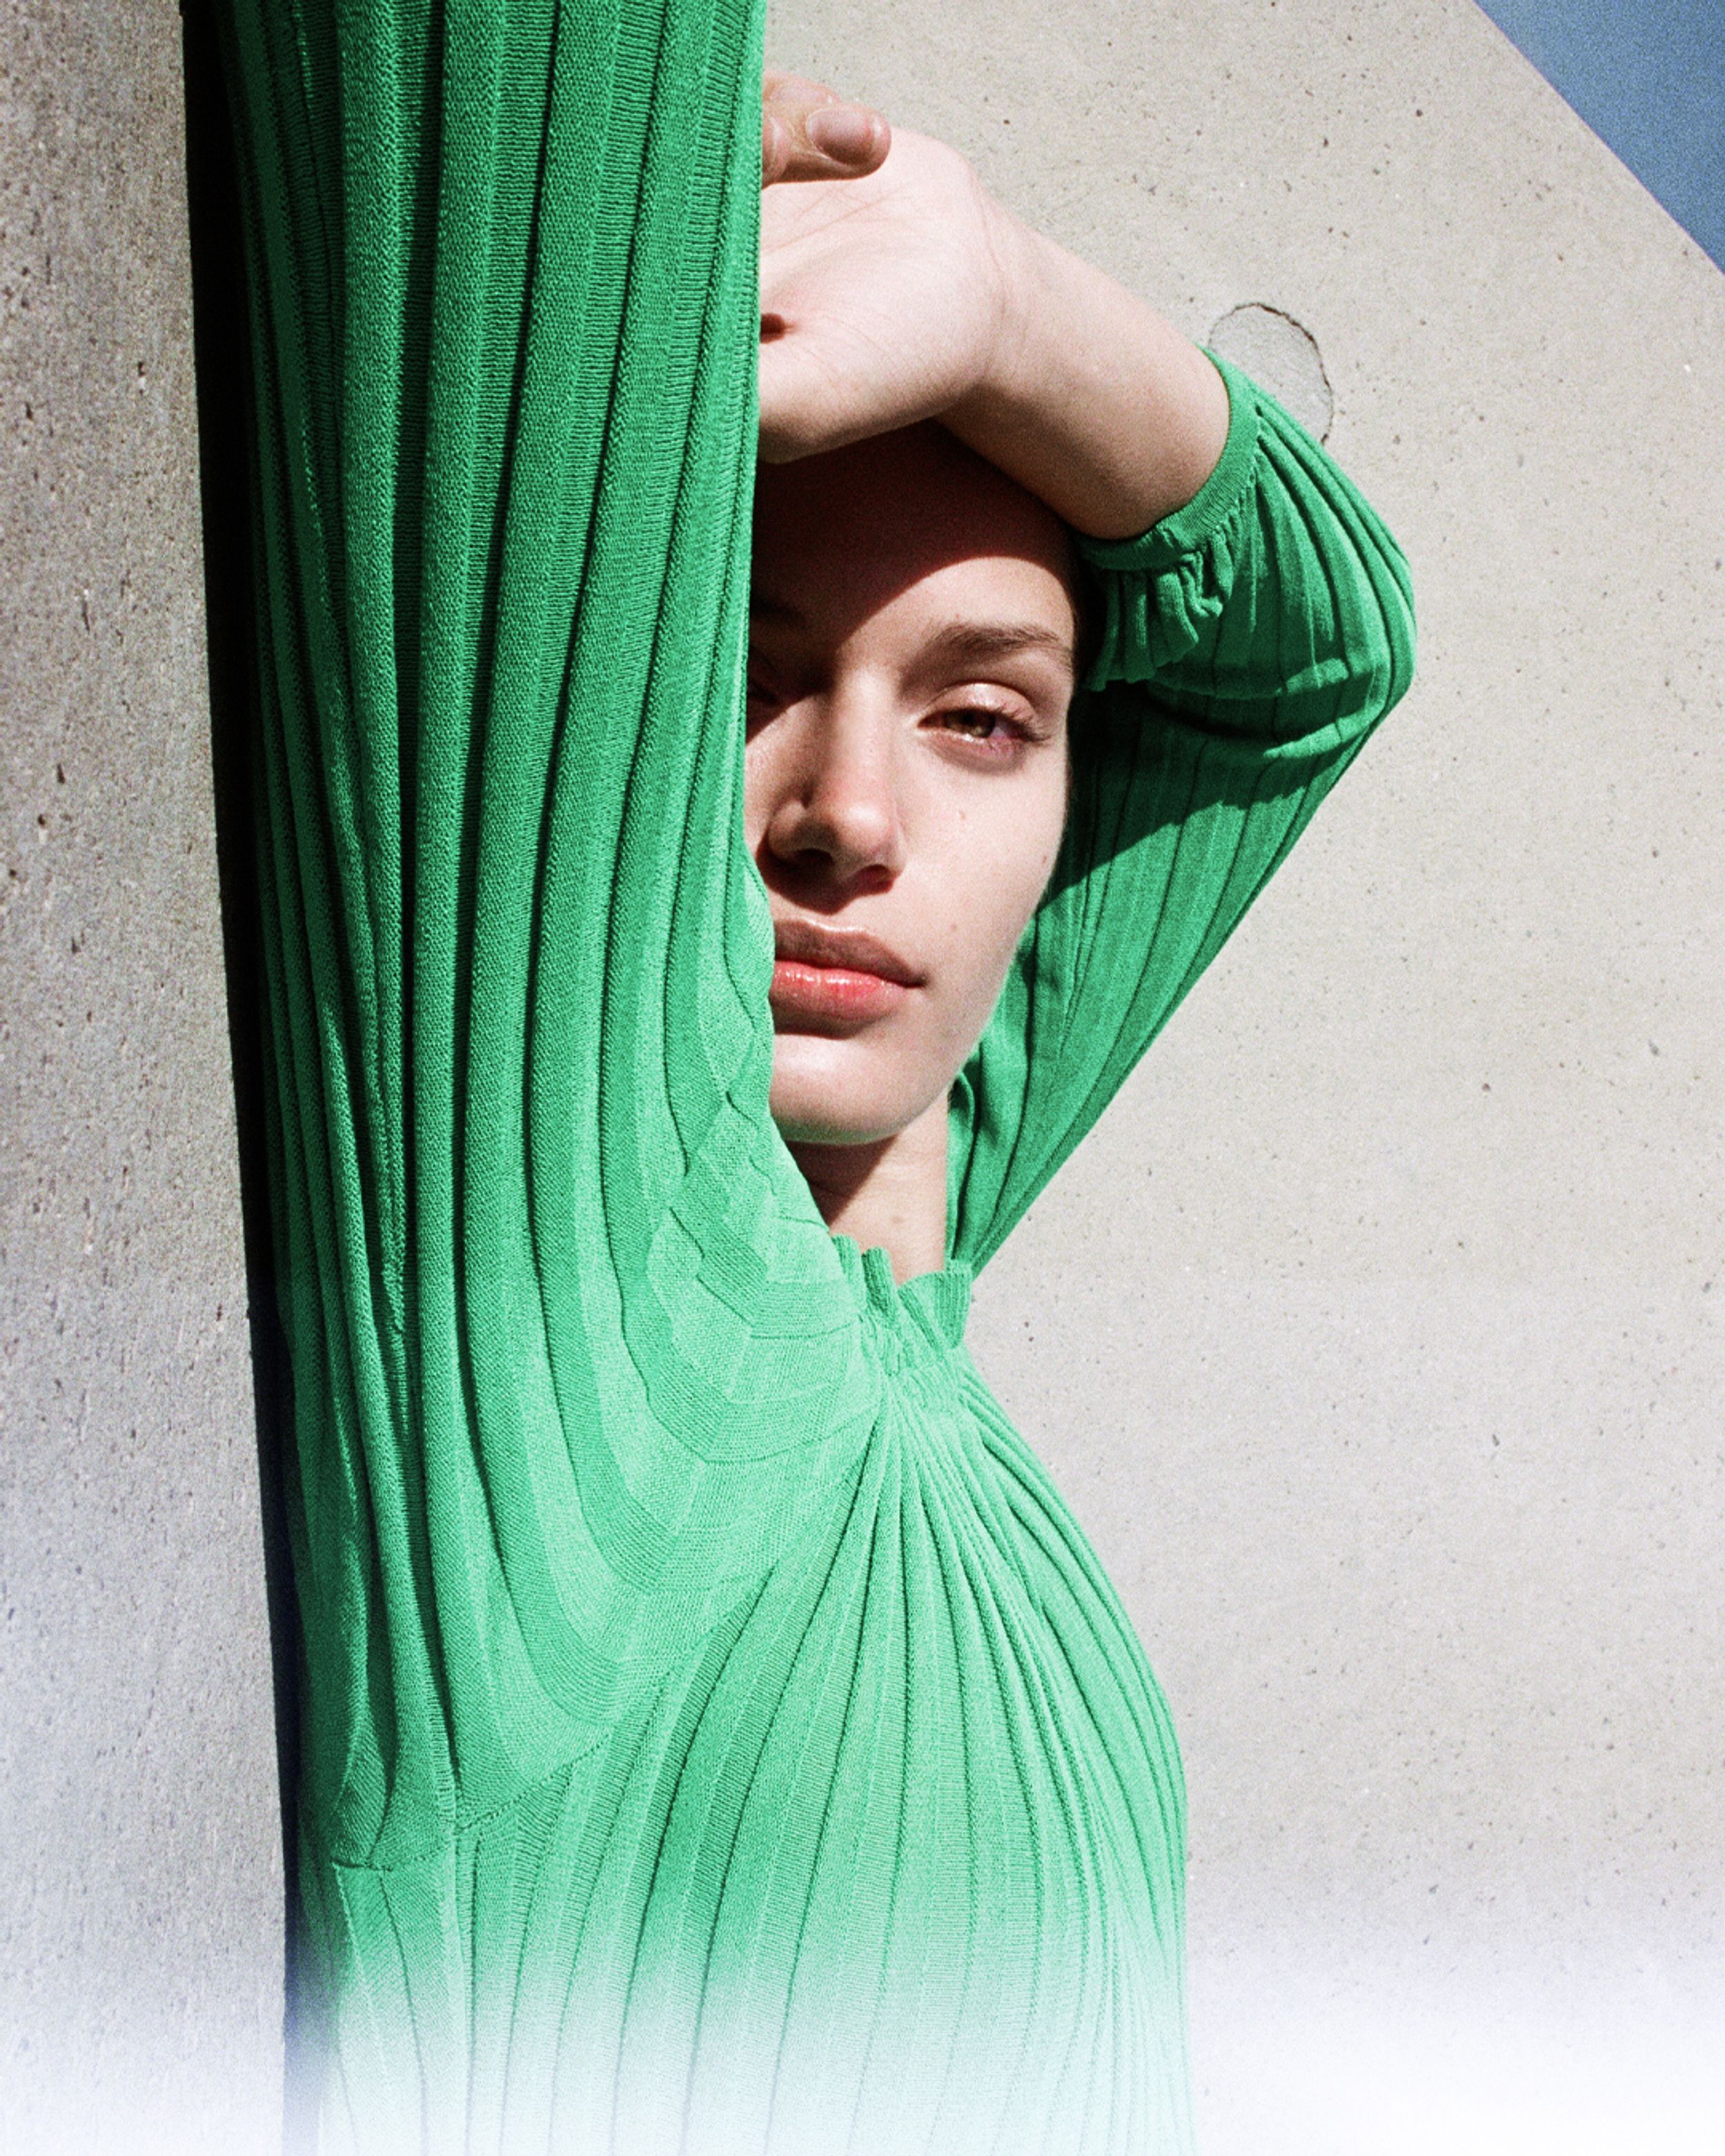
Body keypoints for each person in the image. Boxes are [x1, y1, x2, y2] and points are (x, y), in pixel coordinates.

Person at [215, 11, 1412, 2153]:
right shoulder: (594, 1298)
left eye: (980, 717)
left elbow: (1307, 663)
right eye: (750, 680)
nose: (847, 818)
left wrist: (997, 294)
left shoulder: (911, 1231)